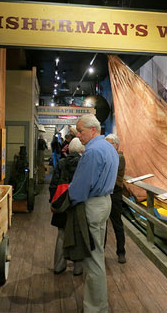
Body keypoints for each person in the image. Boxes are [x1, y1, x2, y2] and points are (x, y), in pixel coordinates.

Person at [68, 114, 119, 313]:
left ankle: (96, 308)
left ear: (93, 130)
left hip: (93, 204)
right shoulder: (109, 148)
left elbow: (81, 185)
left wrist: (69, 200)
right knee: (97, 252)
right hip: (105, 203)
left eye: (80, 131)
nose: (78, 135)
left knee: (93, 258)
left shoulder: (92, 152)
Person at [49, 138, 85, 276]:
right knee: (78, 235)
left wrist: (54, 202)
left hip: (62, 202)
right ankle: (78, 268)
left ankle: (59, 266)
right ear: (82, 149)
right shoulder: (83, 163)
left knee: (61, 234)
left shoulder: (61, 163)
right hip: (78, 204)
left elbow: (53, 184)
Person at [105, 133, 126, 263]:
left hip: (115, 194)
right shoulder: (111, 156)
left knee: (117, 224)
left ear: (116, 145)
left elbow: (109, 171)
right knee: (103, 225)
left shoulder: (119, 157)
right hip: (107, 193)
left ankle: (121, 252)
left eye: (109, 144)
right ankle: (101, 250)